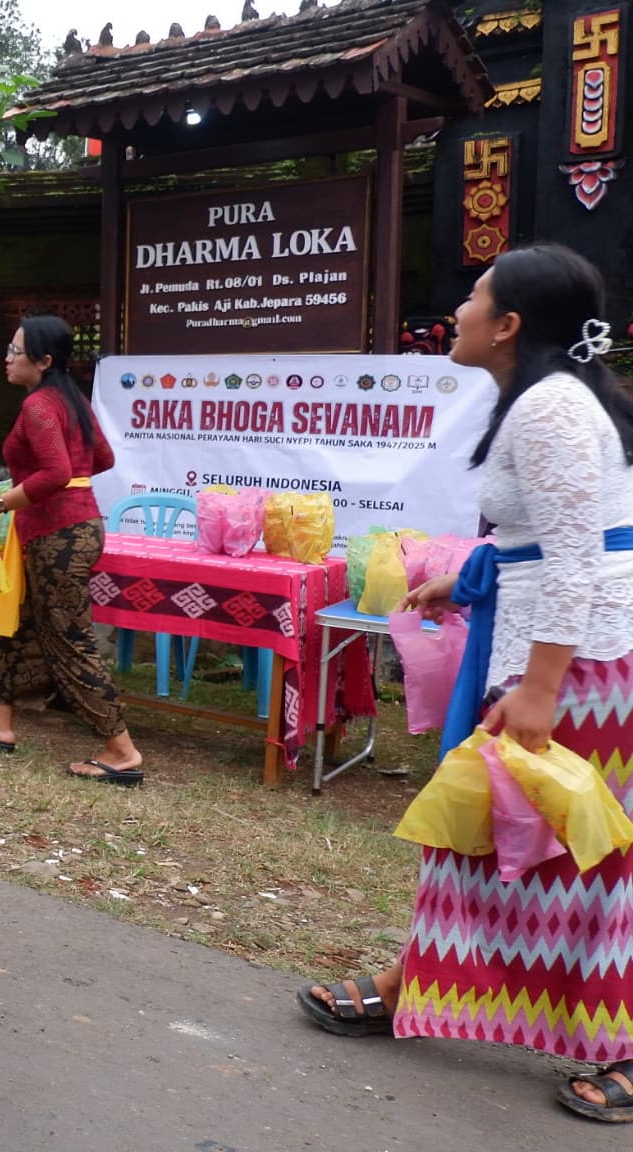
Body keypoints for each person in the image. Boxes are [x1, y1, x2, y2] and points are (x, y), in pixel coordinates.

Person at [297, 244, 633, 1122]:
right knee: (483, 834)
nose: (460, 310)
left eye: (476, 296)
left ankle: (625, 1043)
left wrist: (542, 686)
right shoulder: (551, 399)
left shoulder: (551, 407)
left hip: (577, 666)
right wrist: (474, 573)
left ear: (511, 324)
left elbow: (578, 557)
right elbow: (553, 535)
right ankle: (415, 981)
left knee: (586, 854)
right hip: (558, 652)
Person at [0, 314, 145, 786]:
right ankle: (0, 721)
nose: (7, 358)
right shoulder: (69, 399)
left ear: (43, 360)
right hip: (72, 526)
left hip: (59, 533)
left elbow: (57, 473)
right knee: (24, 625)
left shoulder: (40, 406)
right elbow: (102, 458)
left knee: (69, 639)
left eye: (15, 351)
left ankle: (121, 750)